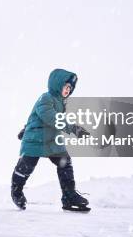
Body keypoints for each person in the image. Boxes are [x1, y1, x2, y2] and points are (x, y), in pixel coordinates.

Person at [11, 68, 90, 212]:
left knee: (65, 162)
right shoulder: (46, 98)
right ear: (57, 84)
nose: (68, 90)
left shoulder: (61, 102)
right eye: (65, 87)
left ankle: (69, 196)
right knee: (26, 167)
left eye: (70, 88)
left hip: (51, 140)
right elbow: (50, 117)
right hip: (35, 138)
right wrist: (73, 129)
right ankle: (16, 191)